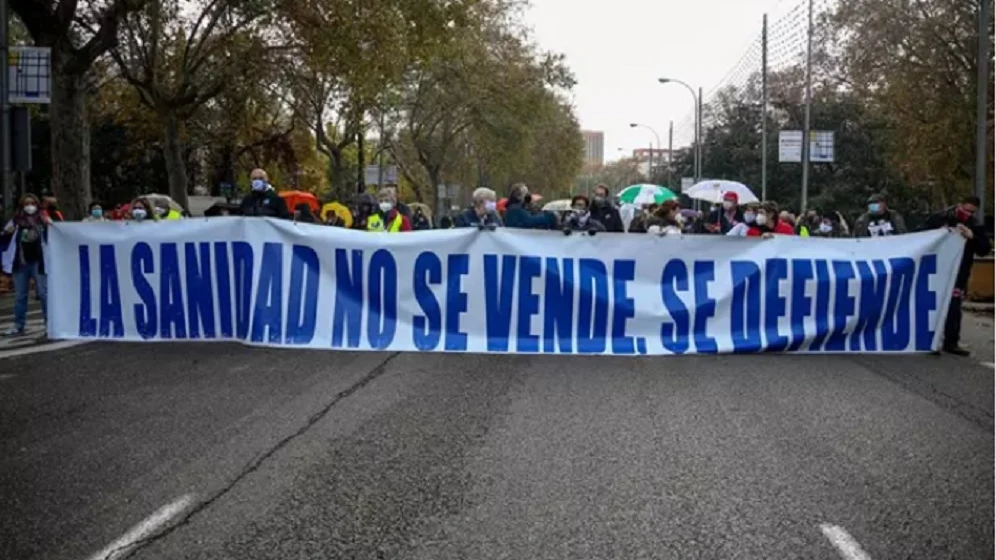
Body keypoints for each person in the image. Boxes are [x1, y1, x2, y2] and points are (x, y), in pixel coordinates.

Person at [921, 195, 990, 356]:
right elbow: (921, 235)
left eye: (972, 212)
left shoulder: (974, 226)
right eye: (965, 210)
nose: (968, 214)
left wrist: (972, 237)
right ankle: (929, 341)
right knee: (933, 306)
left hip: (959, 273)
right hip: (936, 270)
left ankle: (951, 342)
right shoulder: (940, 218)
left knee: (953, 308)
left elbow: (984, 249)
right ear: (959, 205)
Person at [1, 194, 51, 336]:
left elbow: (54, 235)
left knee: (43, 293)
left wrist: (49, 225)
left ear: (37, 205)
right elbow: (4, 238)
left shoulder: (43, 220)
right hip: (20, 263)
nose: (30, 206)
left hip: (38, 262)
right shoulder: (15, 221)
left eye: (32, 203)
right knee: (20, 296)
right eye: (26, 204)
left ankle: (49, 324)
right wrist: (6, 233)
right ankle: (18, 325)